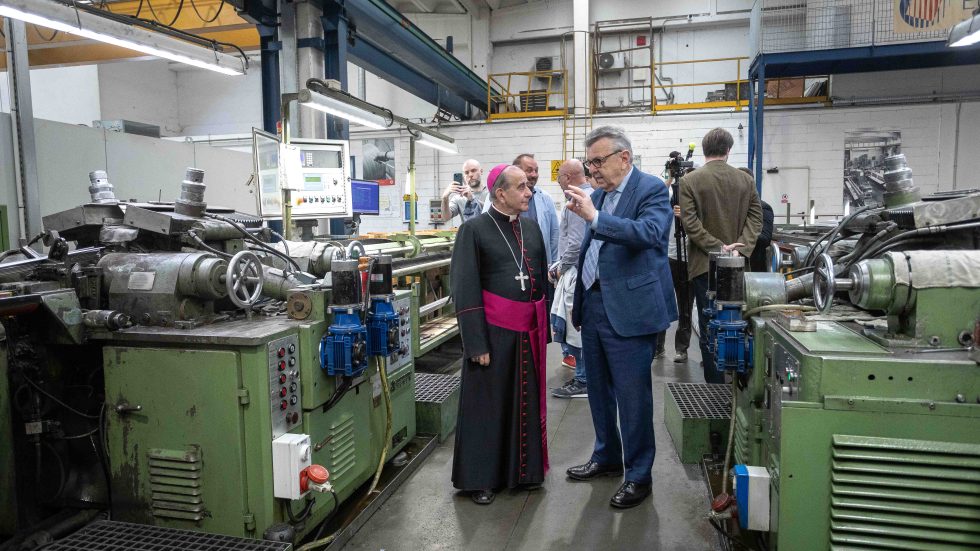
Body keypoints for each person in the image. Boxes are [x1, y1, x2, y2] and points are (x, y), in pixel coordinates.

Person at [564, 126, 676, 509]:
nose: (592, 169)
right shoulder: (597, 195)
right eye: (589, 162)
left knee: (633, 397)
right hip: (595, 306)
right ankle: (607, 455)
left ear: (624, 158)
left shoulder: (651, 189)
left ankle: (639, 475)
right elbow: (589, 252)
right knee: (597, 390)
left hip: (629, 309)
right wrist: (579, 301)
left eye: (598, 161)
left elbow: (650, 233)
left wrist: (595, 216)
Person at [450, 163, 550, 505]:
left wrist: (543, 330)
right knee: (487, 408)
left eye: (529, 186)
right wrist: (475, 342)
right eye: (521, 187)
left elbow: (540, 285)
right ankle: (480, 479)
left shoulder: (532, 229)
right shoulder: (474, 230)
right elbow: (465, 289)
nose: (529, 192)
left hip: (526, 334)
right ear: (500, 193)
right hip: (491, 335)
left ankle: (523, 473)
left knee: (523, 403)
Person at [679, 129, 762, 384]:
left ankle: (714, 387)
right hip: (738, 265)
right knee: (739, 323)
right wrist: (739, 248)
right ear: (728, 150)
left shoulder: (690, 181)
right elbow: (755, 218)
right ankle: (742, 385)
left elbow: (690, 224)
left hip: (705, 265)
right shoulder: (745, 180)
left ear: (704, 150)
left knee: (709, 327)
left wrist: (718, 248)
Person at [550, 159, 593, 399]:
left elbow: (575, 243)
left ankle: (584, 380)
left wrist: (560, 268)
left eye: (559, 179)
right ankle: (586, 376)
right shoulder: (592, 195)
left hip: (575, 272)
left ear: (567, 177)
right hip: (579, 271)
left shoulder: (577, 200)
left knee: (575, 329)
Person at [484, 154, 559, 264]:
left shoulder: (546, 198)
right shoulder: (473, 227)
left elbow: (554, 234)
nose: (534, 174)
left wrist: (552, 265)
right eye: (529, 170)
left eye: (536, 170)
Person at [657, 168, 694, 363]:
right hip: (669, 258)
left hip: (689, 260)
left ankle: (682, 349)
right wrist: (670, 177)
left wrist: (687, 216)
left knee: (685, 307)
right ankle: (658, 346)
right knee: (661, 302)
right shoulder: (669, 203)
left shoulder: (697, 205)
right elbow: (659, 192)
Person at [739, 168, 775, 272]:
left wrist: (742, 236)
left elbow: (765, 238)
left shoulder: (763, 208)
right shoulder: (733, 207)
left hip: (753, 267)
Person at [440, 159, 487, 224]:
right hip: (469, 233)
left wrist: (472, 199)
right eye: (466, 172)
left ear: (481, 171)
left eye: (473, 171)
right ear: (464, 176)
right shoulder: (459, 197)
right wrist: (444, 197)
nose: (470, 175)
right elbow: (445, 218)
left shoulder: (492, 194)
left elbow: (495, 213)